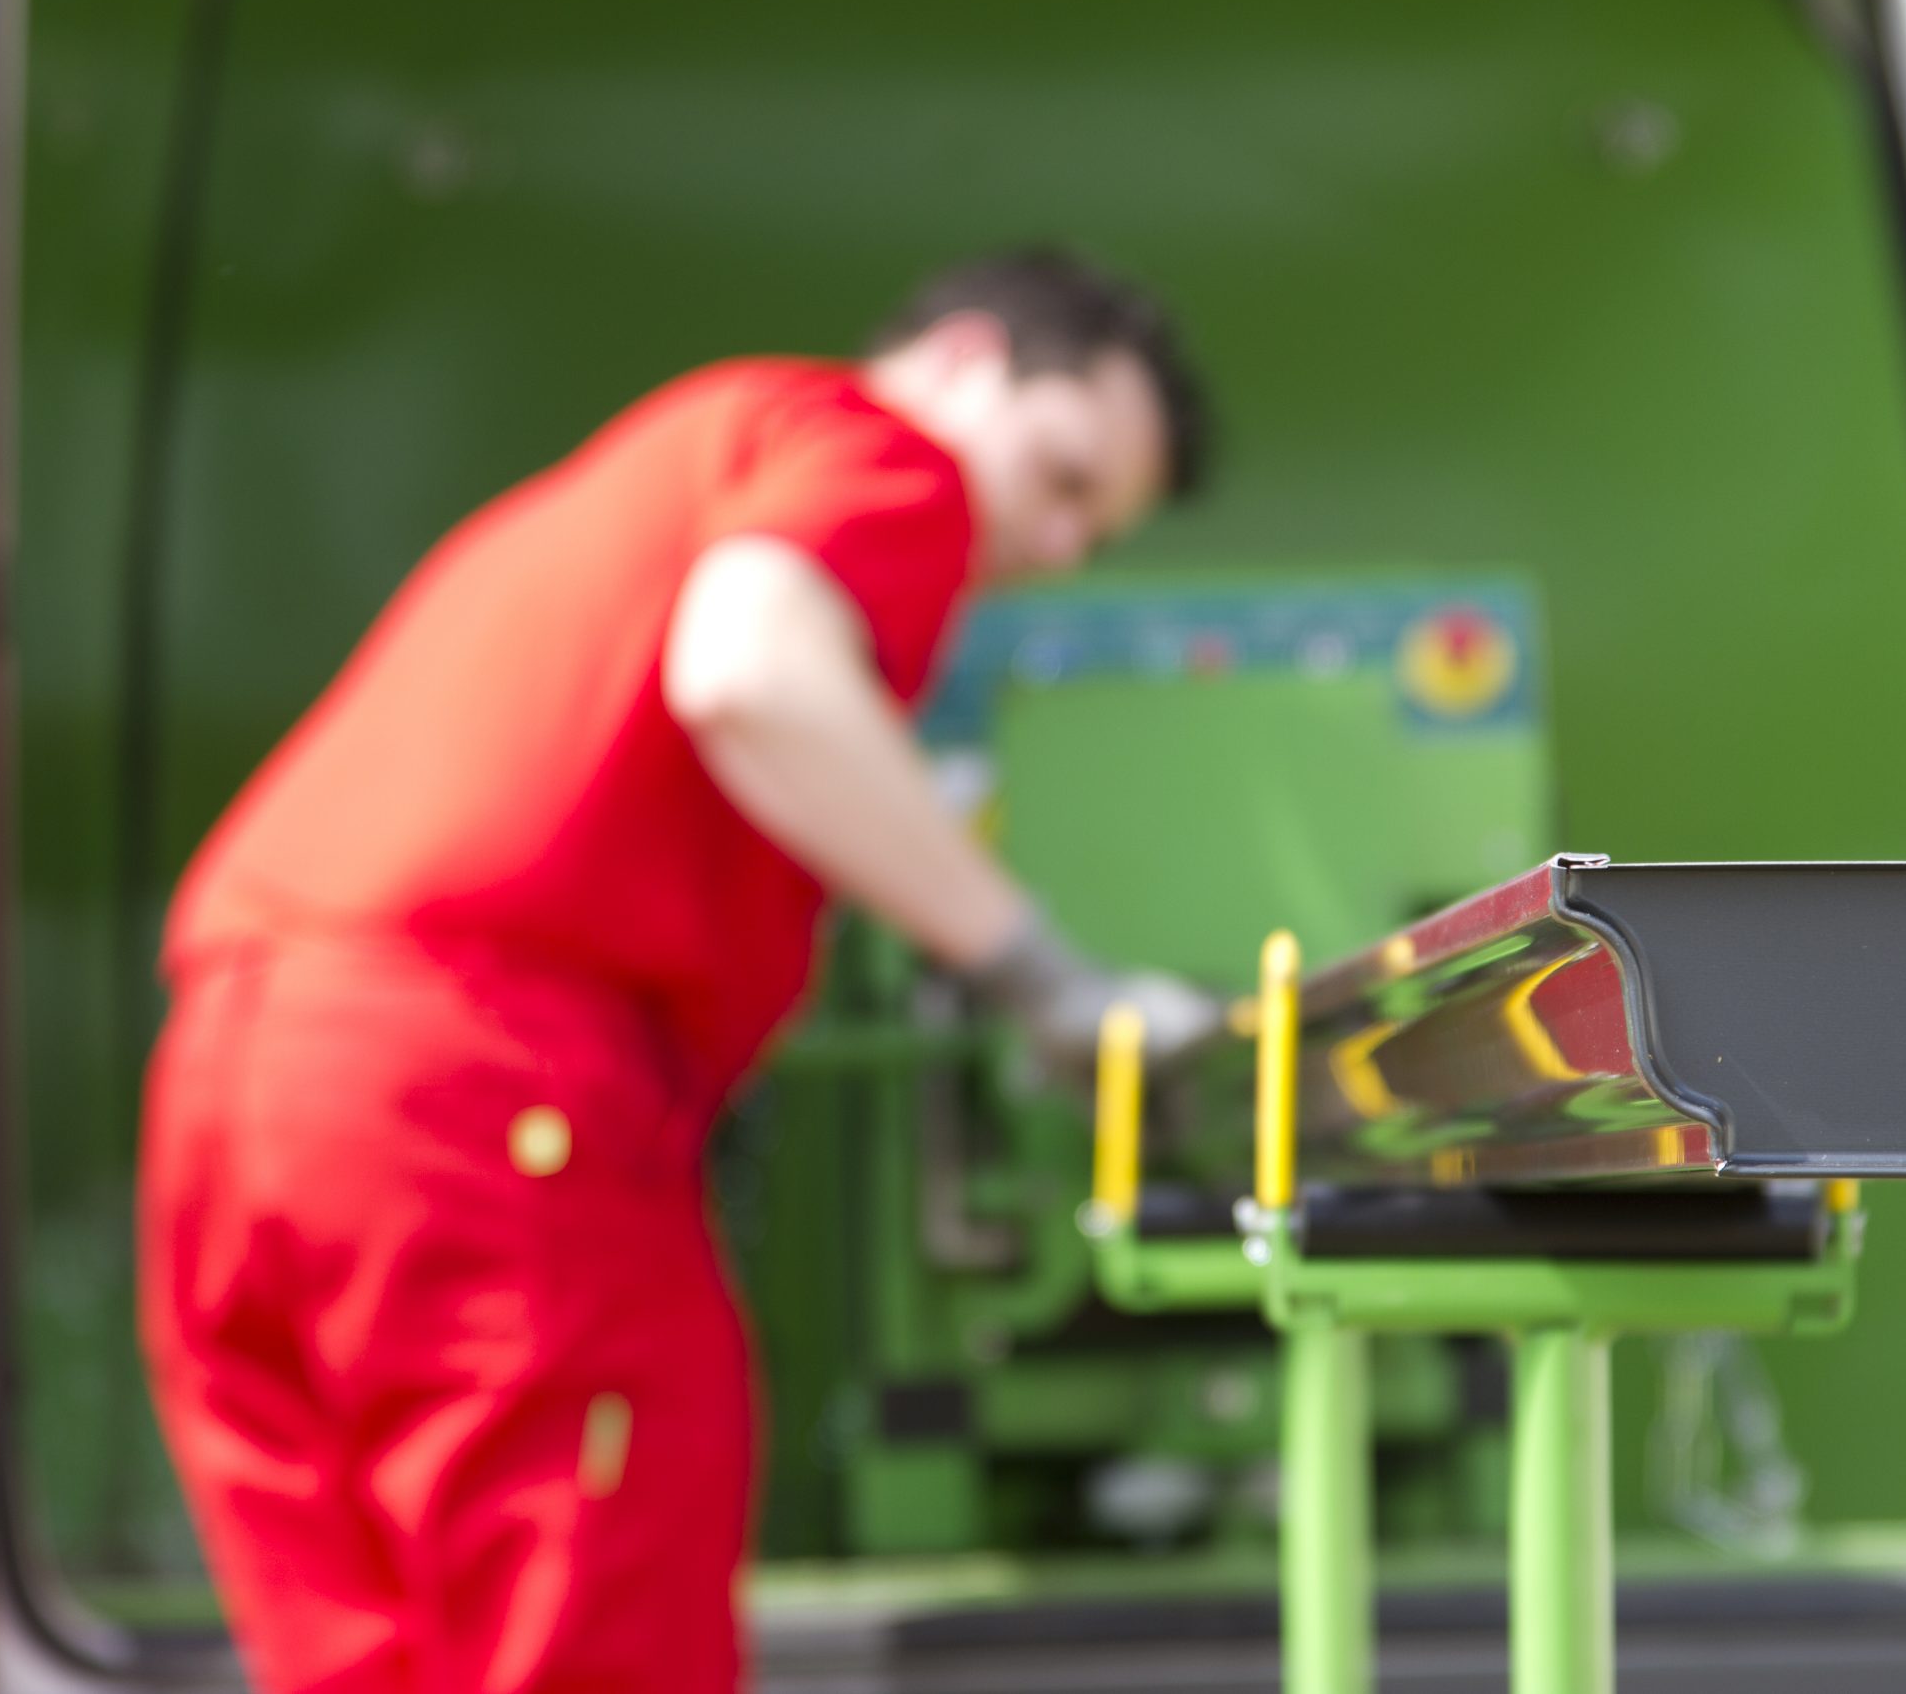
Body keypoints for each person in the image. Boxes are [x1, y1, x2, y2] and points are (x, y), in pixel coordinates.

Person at [137, 247, 1221, 1693]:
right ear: (965, 359)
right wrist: (1050, 980)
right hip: (480, 1104)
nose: (1060, 545)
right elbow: (752, 672)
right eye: (1065, 477)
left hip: (239, 1090)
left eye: (1101, 530)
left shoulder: (675, 458)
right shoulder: (872, 451)